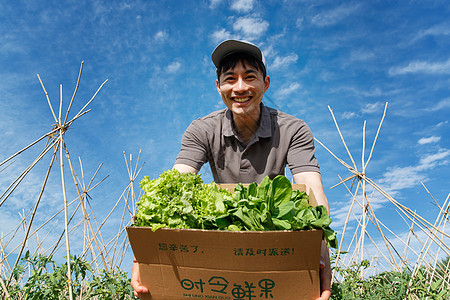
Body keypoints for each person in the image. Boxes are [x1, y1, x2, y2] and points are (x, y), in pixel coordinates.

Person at [131, 39, 332, 300]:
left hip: (274, 239)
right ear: (218, 86)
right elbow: (175, 184)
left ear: (265, 83)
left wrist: (322, 252)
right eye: (230, 79)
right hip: (222, 241)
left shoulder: (293, 129)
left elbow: (312, 189)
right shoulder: (201, 130)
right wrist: (144, 254)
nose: (240, 88)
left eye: (250, 77)